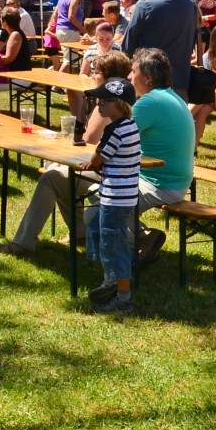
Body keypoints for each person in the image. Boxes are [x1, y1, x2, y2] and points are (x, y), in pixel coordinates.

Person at [0, 47, 192, 263]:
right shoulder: (172, 97)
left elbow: (108, 141)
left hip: (157, 183)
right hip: (162, 179)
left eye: (134, 71)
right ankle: (84, 235)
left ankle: (135, 242)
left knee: (89, 198)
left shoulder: (150, 102)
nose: (129, 76)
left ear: (147, 78)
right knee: (56, 177)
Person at [81, 77, 142, 314]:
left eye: (104, 101)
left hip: (114, 197)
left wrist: (92, 162)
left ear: (118, 104)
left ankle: (121, 293)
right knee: (95, 226)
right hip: (126, 195)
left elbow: (98, 159)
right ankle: (108, 275)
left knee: (113, 244)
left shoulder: (114, 130)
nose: (99, 105)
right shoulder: (130, 125)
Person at [123, 0, 196, 95]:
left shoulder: (145, 4)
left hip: (150, 81)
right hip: (181, 80)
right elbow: (193, 39)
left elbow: (128, 45)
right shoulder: (190, 1)